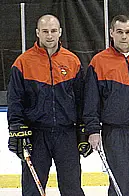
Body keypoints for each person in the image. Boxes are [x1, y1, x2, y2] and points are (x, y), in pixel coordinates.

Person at [7, 14, 86, 196]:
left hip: (66, 134)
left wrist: (83, 127)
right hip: (36, 135)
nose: (49, 35)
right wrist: (16, 127)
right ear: (37, 33)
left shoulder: (72, 61)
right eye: (45, 31)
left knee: (72, 187)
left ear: (60, 32)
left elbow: (81, 98)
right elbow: (15, 100)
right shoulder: (23, 62)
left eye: (53, 31)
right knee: (33, 188)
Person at [82, 14, 129, 195]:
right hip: (115, 133)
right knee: (120, 183)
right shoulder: (99, 62)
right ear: (111, 33)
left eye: (128, 32)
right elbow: (91, 101)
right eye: (120, 32)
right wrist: (93, 130)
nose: (124, 36)